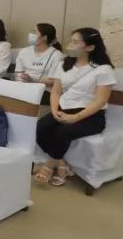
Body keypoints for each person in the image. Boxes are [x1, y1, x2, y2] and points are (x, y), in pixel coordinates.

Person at [33, 28, 116, 187]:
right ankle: (62, 163)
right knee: (40, 128)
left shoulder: (103, 69)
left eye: (75, 42)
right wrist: (54, 110)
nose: (70, 45)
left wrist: (75, 117)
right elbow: (56, 91)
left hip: (91, 116)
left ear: (90, 47)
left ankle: (48, 165)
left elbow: (100, 101)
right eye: (71, 41)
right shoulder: (64, 64)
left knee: (62, 131)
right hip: (63, 109)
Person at [15, 23, 64, 89]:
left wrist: (32, 80)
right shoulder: (24, 51)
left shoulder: (56, 55)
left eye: (35, 32)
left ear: (44, 37)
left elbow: (53, 81)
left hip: (44, 90)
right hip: (23, 87)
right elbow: (18, 73)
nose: (31, 34)